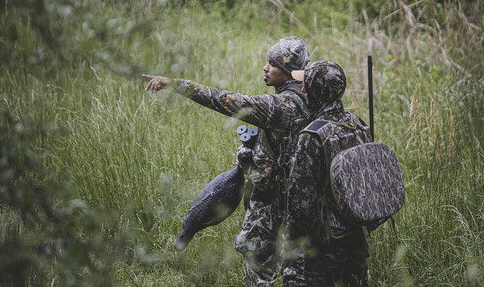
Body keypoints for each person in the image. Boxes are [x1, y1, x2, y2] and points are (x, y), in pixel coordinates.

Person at [143, 36, 310, 287]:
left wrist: (176, 84)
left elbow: (224, 100)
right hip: (306, 204)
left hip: (273, 203)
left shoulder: (278, 106)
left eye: (272, 64)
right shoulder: (316, 101)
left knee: (258, 266)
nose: (265, 68)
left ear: (288, 72)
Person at [283, 61, 373, 286]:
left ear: (314, 91)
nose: (302, 89)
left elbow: (300, 200)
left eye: (306, 85)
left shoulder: (312, 135)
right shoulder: (359, 125)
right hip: (358, 230)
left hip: (325, 240)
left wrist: (291, 244)